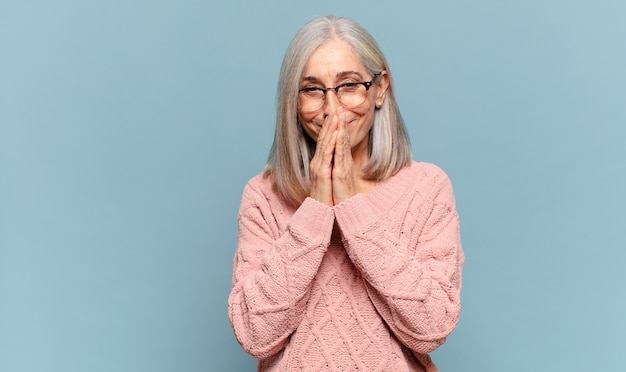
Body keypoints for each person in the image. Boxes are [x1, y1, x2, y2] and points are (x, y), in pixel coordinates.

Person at [228, 15, 464, 371]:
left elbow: (432, 327)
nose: (332, 108)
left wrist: (354, 210)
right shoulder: (263, 195)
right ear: (293, 102)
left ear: (380, 88)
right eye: (312, 90)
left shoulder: (427, 187)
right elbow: (254, 334)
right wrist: (316, 210)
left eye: (348, 85)